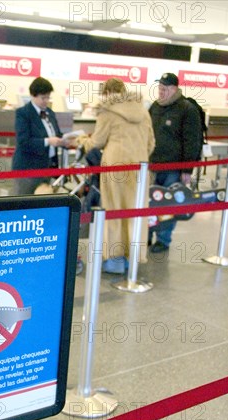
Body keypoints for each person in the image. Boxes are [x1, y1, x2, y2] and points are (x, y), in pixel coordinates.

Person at [76, 78, 155, 274]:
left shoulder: (107, 111)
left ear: (107, 93)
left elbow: (97, 142)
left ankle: (115, 260)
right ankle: (132, 259)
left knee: (113, 211)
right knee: (136, 211)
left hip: (115, 166)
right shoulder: (143, 110)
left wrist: (81, 140)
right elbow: (151, 143)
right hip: (140, 167)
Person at [148, 72, 202, 253]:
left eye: (164, 89)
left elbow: (192, 141)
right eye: (159, 88)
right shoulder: (154, 107)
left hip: (173, 168)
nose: (161, 92)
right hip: (152, 164)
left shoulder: (187, 109)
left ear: (174, 89)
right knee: (148, 203)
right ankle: (145, 235)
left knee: (167, 206)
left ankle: (163, 240)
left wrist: (187, 169)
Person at [12, 77, 65, 195]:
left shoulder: (49, 113)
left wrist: (66, 140)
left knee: (42, 204)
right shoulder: (23, 113)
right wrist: (48, 141)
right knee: (24, 203)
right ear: (33, 95)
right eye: (43, 97)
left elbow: (56, 134)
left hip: (47, 166)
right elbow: (24, 142)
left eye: (48, 97)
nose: (46, 100)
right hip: (28, 168)